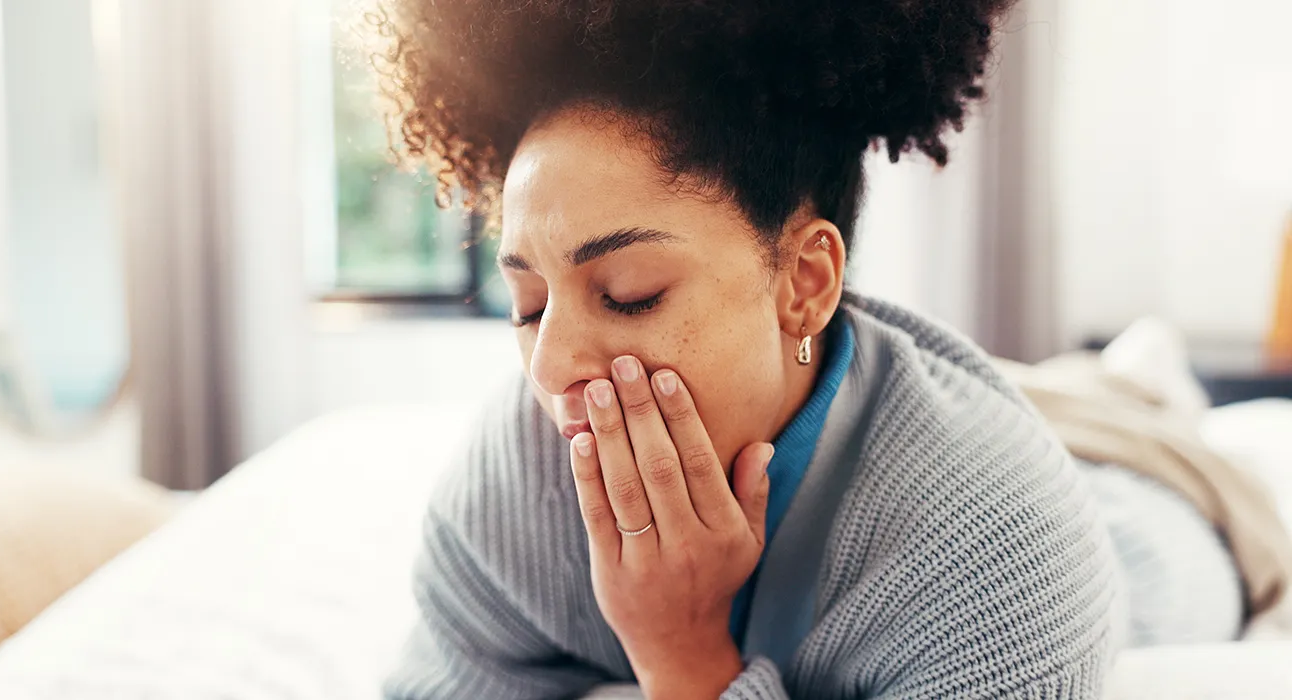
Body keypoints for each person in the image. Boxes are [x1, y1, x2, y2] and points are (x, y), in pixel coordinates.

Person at [376, 1, 1238, 697]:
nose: (554, 366)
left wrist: (679, 655)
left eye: (629, 293)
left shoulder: (1005, 552)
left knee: (1141, 437)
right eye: (528, 305)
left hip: (1136, 509)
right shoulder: (519, 464)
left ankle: (1142, 385)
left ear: (805, 283)